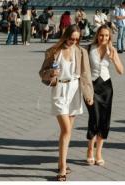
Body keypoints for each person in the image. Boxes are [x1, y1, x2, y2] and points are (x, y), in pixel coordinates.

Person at [40, 25, 94, 180]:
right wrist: (51, 73)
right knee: (66, 130)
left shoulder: (81, 52)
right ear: (66, 36)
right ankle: (62, 169)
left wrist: (88, 94)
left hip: (75, 90)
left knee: (67, 131)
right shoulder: (53, 51)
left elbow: (85, 74)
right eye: (72, 38)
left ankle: (61, 162)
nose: (74, 41)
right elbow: (42, 73)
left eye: (77, 39)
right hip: (60, 90)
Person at [85, 24, 124, 166]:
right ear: (97, 35)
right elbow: (83, 70)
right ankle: (90, 149)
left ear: (109, 37)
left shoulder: (111, 50)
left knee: (104, 120)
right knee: (94, 117)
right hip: (92, 87)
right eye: (101, 35)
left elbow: (121, 71)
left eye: (106, 35)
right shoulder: (89, 49)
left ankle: (99, 152)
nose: (103, 38)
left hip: (106, 87)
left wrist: (113, 59)